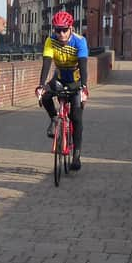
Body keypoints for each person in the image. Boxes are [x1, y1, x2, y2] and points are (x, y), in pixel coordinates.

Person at [35, 11, 89, 171]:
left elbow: (84, 66)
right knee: (45, 96)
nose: (61, 34)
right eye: (57, 30)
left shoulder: (80, 41)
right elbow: (46, 63)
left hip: (75, 81)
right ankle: (53, 118)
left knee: (76, 117)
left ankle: (77, 155)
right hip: (58, 79)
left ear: (70, 28)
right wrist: (41, 85)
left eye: (64, 30)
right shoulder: (50, 41)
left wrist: (84, 86)